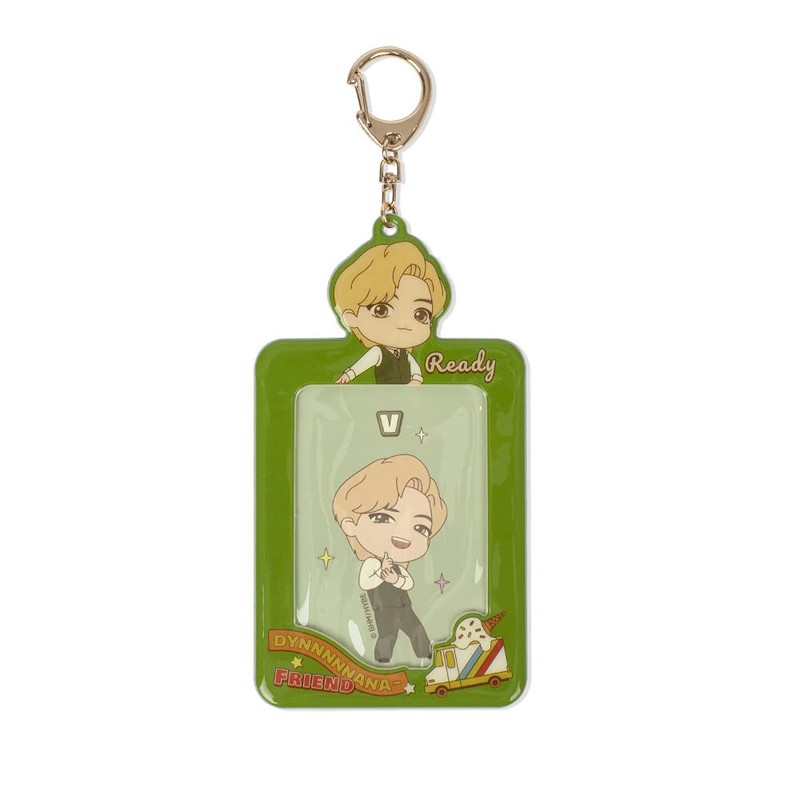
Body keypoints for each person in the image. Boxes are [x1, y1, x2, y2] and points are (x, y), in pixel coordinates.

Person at [332, 455, 447, 662]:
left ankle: (427, 655)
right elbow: (365, 582)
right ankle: (382, 662)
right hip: (384, 607)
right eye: (382, 517)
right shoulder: (371, 563)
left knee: (416, 629)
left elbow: (408, 582)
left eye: (421, 528)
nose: (403, 536)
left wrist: (396, 578)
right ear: (351, 525)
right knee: (388, 635)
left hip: (404, 605)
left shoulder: (398, 565)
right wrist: (382, 573)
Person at [332, 242, 448, 384]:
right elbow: (362, 364)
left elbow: (416, 370)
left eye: (420, 315)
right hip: (383, 394)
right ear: (351, 317)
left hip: (407, 394)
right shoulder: (378, 352)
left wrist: (416, 379)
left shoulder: (407, 355)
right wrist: (348, 375)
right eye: (381, 310)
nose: (404, 323)